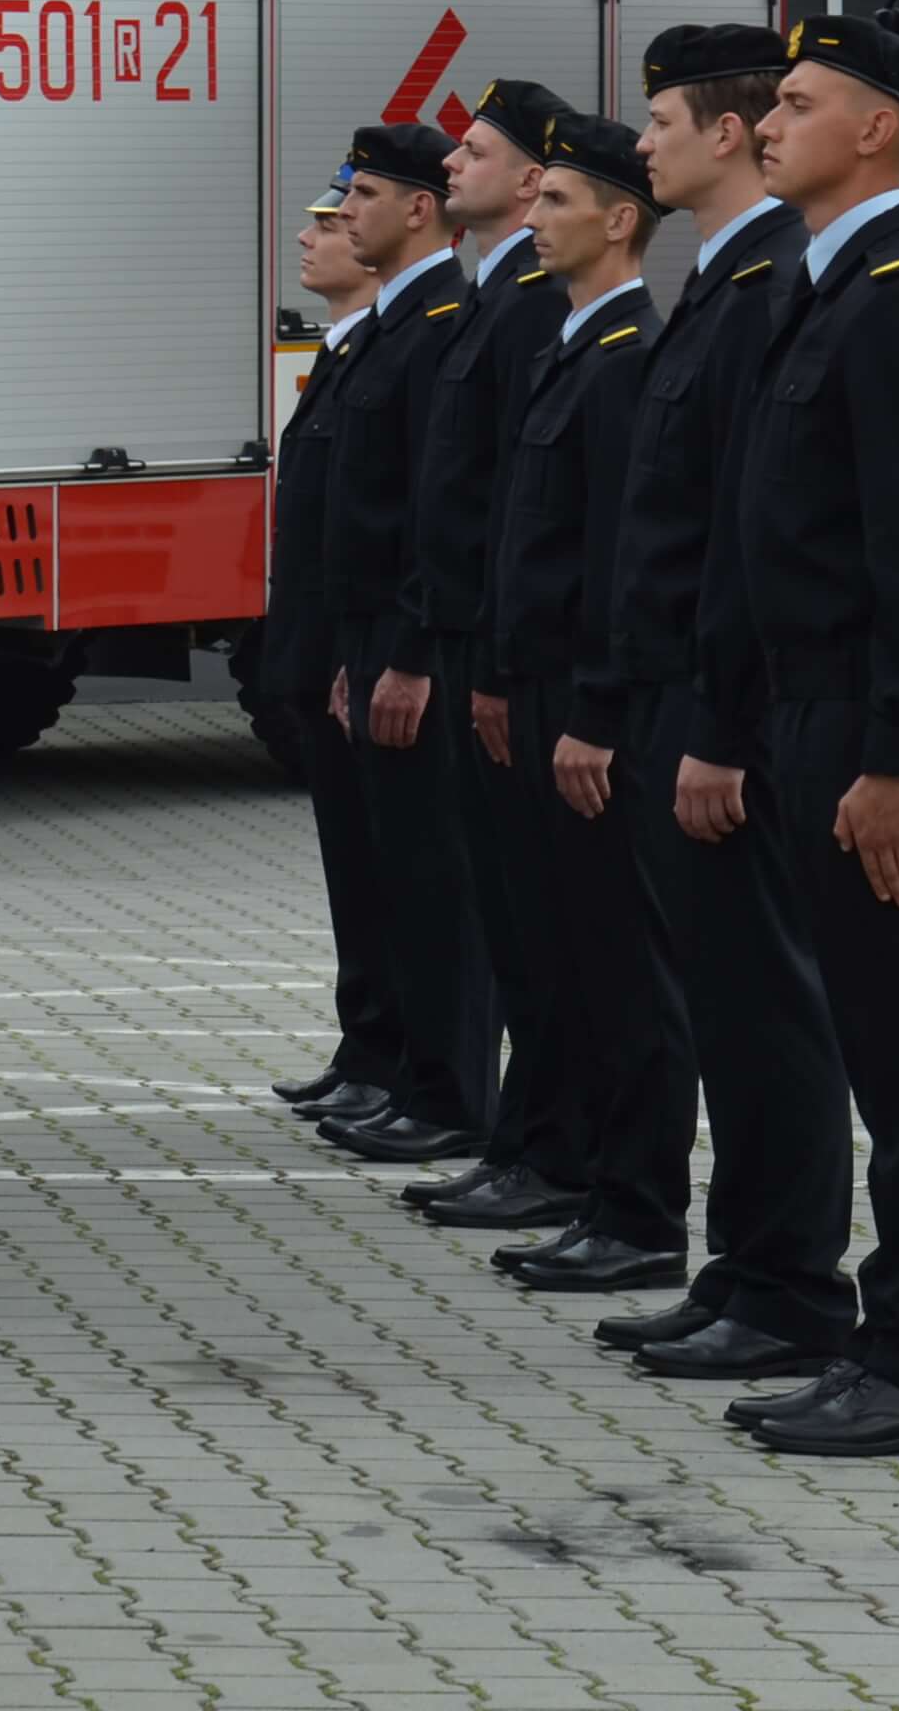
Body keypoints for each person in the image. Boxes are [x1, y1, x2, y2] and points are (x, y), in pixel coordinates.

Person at [722, 15, 899, 1460]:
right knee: (869, 1034)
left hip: (874, 733)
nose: (768, 122)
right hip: (813, 715)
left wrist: (895, 760)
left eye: (797, 101)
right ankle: (883, 1349)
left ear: (877, 130)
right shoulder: (823, 284)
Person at [596, 26, 853, 1384]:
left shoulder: (769, 285)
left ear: (730, 134)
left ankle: (792, 1287)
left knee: (764, 1010)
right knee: (726, 1005)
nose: (641, 145)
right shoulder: (724, 274)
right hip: (670, 696)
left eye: (660, 121)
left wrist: (714, 726)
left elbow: (747, 537)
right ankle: (743, 1266)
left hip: (717, 713)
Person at [473, 111, 676, 1296]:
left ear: (618, 220)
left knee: (622, 969)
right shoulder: (569, 347)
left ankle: (640, 1208)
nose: (532, 221)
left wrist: (595, 712)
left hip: (589, 701)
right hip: (544, 687)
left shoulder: (625, 358)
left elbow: (616, 565)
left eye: (555, 203)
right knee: (566, 954)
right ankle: (596, 1186)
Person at [406, 80, 591, 1235]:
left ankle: (554, 1151)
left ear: (532, 182)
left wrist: (479, 654)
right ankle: (530, 1141)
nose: (451, 168)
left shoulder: (534, 302)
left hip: (515, 652)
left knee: (549, 926)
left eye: (473, 153)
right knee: (519, 919)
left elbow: (521, 499)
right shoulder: (506, 292)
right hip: (484, 640)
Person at [304, 121, 492, 1161]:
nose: (344, 216)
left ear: (418, 211)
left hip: (411, 640)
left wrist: (412, 650)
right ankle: (403, 1073)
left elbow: (439, 512)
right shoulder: (397, 328)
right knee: (391, 874)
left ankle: (448, 1091)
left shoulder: (437, 326)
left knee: (434, 879)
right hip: (371, 635)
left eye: (363, 196)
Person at [262, 171, 405, 1117]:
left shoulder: (398, 347)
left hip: (359, 654)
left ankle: (400, 1061)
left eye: (334, 220)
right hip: (324, 654)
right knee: (354, 873)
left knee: (390, 875)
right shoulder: (346, 349)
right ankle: (367, 1048)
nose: (317, 236)